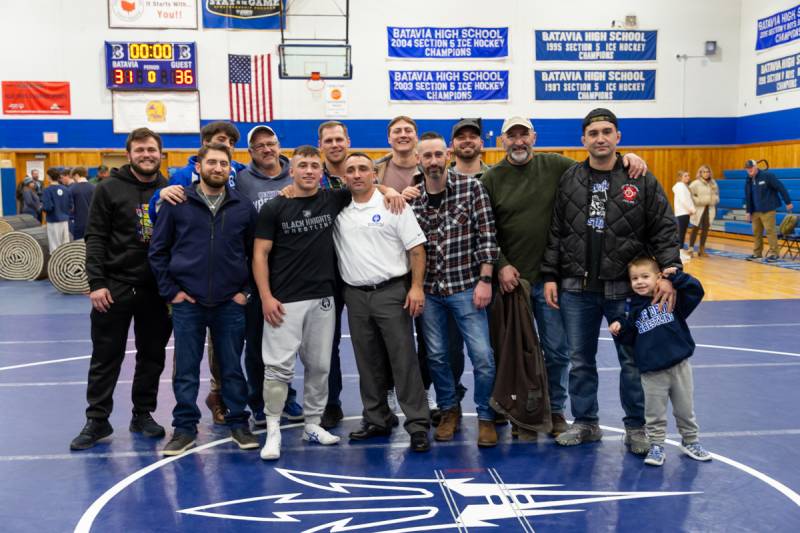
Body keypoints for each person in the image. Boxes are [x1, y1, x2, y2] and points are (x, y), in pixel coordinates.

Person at [481, 115, 646, 438]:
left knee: (557, 351)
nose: (518, 142)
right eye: (511, 136)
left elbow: (599, 164)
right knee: (514, 354)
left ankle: (556, 409)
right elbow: (484, 229)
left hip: (552, 280)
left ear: (534, 137)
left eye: (523, 135)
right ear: (501, 141)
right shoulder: (492, 179)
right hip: (512, 283)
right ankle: (521, 415)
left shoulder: (558, 167)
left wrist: (628, 159)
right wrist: (500, 263)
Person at [541, 108, 680, 456]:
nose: (600, 138)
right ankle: (586, 422)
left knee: (632, 360)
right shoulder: (570, 177)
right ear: (583, 140)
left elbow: (663, 226)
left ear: (618, 137)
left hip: (626, 289)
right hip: (577, 287)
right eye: (593, 133)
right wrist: (550, 275)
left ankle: (636, 427)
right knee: (580, 360)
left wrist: (669, 270)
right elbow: (557, 231)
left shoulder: (640, 177)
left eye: (607, 132)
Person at [149, 143, 259, 456]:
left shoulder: (242, 206)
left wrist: (245, 292)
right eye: (211, 162)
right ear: (198, 166)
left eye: (223, 164)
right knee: (185, 369)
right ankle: (184, 428)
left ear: (230, 169)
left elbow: (255, 254)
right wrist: (172, 293)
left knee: (231, 368)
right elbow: (158, 251)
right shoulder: (177, 202)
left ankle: (238, 422)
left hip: (229, 302)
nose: (217, 168)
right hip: (188, 304)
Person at [70, 128, 172, 451]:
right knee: (106, 355)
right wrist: (96, 283)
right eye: (140, 150)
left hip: (156, 289)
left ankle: (142, 413)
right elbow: (95, 237)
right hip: (114, 287)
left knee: (152, 355)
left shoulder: (171, 189)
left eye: (151, 150)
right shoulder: (109, 189)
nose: (146, 155)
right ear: (129, 154)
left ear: (160, 153)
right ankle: (97, 419)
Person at [252, 145, 352, 460]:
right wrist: (266, 297)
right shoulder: (274, 207)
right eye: (302, 166)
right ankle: (272, 430)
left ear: (322, 173)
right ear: (291, 170)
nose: (309, 171)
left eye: (314, 166)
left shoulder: (333, 199)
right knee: (278, 369)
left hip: (323, 298)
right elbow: (259, 255)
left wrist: (390, 190)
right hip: (284, 301)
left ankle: (312, 423)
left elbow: (368, 186)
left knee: (320, 366)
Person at [335, 152, 432, 452]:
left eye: (363, 168)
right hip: (355, 294)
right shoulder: (337, 208)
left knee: (403, 359)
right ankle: (377, 418)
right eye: (351, 170)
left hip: (392, 292)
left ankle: (417, 423)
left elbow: (416, 249)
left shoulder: (393, 204)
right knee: (367, 361)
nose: (357, 174)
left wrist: (416, 287)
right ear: (344, 177)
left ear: (374, 174)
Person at [410, 132, 499, 447]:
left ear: (447, 156)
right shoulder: (413, 199)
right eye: (427, 156)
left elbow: (487, 235)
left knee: (483, 357)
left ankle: (486, 416)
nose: (433, 161)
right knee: (436, 356)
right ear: (418, 161)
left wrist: (485, 280)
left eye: (438, 155)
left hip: (466, 286)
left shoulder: (472, 188)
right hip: (431, 291)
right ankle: (450, 410)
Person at [608, 257, 712, 466]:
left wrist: (678, 277)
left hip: (679, 367)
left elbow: (696, 291)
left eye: (645, 276)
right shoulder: (634, 311)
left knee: (685, 409)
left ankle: (690, 440)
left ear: (658, 277)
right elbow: (629, 339)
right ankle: (656, 445)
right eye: (635, 278)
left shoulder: (671, 298)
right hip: (651, 372)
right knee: (654, 413)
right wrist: (620, 330)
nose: (639, 282)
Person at [317, 121, 350, 429]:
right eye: (329, 140)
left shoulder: (363, 172)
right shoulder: (313, 179)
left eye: (339, 138)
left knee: (375, 342)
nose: (335, 144)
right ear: (321, 145)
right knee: (328, 343)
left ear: (348, 141)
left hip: (362, 270)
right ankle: (331, 403)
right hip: (326, 273)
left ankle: (379, 400)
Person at [744, 159, 793, 262]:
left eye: (751, 167)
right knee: (757, 232)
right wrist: (748, 211)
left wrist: (788, 202)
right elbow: (748, 196)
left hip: (768, 209)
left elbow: (781, 187)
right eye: (747, 168)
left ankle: (774, 254)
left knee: (770, 231)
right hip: (755, 211)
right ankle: (757, 254)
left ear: (756, 166)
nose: (749, 170)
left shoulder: (767, 176)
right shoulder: (748, 179)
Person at [688, 165, 719, 257]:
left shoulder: (713, 183)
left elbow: (717, 194)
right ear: (700, 173)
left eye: (708, 172)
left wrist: (714, 199)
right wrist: (698, 201)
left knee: (705, 230)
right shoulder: (695, 183)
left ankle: (701, 249)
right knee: (695, 228)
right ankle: (690, 249)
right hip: (698, 209)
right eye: (704, 172)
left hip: (709, 209)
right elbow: (690, 195)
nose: (706, 173)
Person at [42, 167, 73, 252]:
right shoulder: (66, 189)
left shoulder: (47, 190)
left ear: (48, 177)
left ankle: (56, 265)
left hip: (53, 220)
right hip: (65, 220)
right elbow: (71, 206)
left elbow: (47, 207)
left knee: (54, 247)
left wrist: (42, 208)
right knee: (65, 246)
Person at [672, 170, 695, 260]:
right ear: (680, 177)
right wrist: (691, 209)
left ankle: (680, 252)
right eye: (685, 176)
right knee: (681, 233)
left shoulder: (683, 186)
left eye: (688, 176)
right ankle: (679, 253)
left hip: (684, 213)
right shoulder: (680, 187)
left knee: (682, 233)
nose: (688, 177)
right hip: (682, 213)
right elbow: (684, 200)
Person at [68, 167, 95, 240]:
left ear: (76, 175)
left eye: (73, 177)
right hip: (92, 223)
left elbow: (70, 207)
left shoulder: (72, 189)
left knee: (79, 247)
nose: (73, 179)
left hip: (78, 223)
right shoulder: (94, 187)